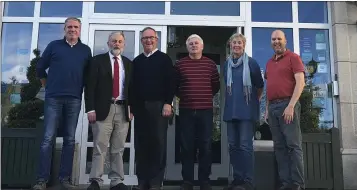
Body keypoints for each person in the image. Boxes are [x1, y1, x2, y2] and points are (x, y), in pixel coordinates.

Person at [34, 17, 92, 190]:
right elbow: (39, 68)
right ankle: (41, 180)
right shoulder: (54, 46)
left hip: (74, 99)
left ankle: (65, 179)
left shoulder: (85, 50)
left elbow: (89, 77)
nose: (72, 29)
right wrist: (48, 86)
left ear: (80, 30)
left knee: (69, 139)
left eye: (75, 27)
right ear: (64, 29)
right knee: (47, 139)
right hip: (53, 98)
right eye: (69, 27)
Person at [85, 31, 133, 190]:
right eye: (113, 41)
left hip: (122, 109)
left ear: (124, 44)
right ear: (108, 44)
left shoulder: (128, 63)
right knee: (100, 146)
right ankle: (95, 180)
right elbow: (90, 86)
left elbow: (131, 89)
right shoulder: (97, 61)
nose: (116, 44)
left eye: (120, 41)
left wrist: (131, 108)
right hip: (102, 109)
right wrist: (90, 108)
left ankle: (117, 181)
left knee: (118, 148)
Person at [129, 27, 176, 190]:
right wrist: (132, 107)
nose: (148, 41)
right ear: (141, 41)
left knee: (158, 144)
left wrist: (168, 103)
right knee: (141, 145)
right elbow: (132, 87)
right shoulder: (137, 61)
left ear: (156, 39)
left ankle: (156, 183)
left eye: (151, 38)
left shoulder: (164, 59)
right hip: (140, 108)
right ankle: (142, 181)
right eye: (145, 38)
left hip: (159, 107)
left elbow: (171, 83)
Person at [174, 34, 220, 190]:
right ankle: (187, 181)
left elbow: (215, 86)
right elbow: (176, 86)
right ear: (187, 47)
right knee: (187, 147)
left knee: (205, 147)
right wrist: (188, 96)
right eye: (191, 43)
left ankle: (204, 181)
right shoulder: (180, 65)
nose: (194, 45)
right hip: (186, 110)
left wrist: (203, 96)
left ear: (202, 46)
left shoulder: (211, 65)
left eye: (196, 43)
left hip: (205, 111)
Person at [264, 30, 306, 190]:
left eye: (279, 39)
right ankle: (286, 183)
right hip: (273, 107)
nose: (276, 41)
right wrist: (267, 109)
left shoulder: (293, 58)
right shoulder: (269, 63)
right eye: (273, 39)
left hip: (288, 104)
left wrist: (291, 106)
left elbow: (300, 83)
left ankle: (297, 184)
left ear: (285, 41)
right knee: (279, 147)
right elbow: (269, 88)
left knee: (293, 146)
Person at [222, 33, 264, 190]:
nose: (236, 45)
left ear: (244, 45)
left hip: (247, 113)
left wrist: (252, 102)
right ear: (230, 45)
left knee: (245, 146)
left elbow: (260, 87)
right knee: (233, 146)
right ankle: (238, 178)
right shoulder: (226, 65)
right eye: (234, 43)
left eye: (239, 42)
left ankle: (248, 181)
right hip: (230, 112)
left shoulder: (252, 63)